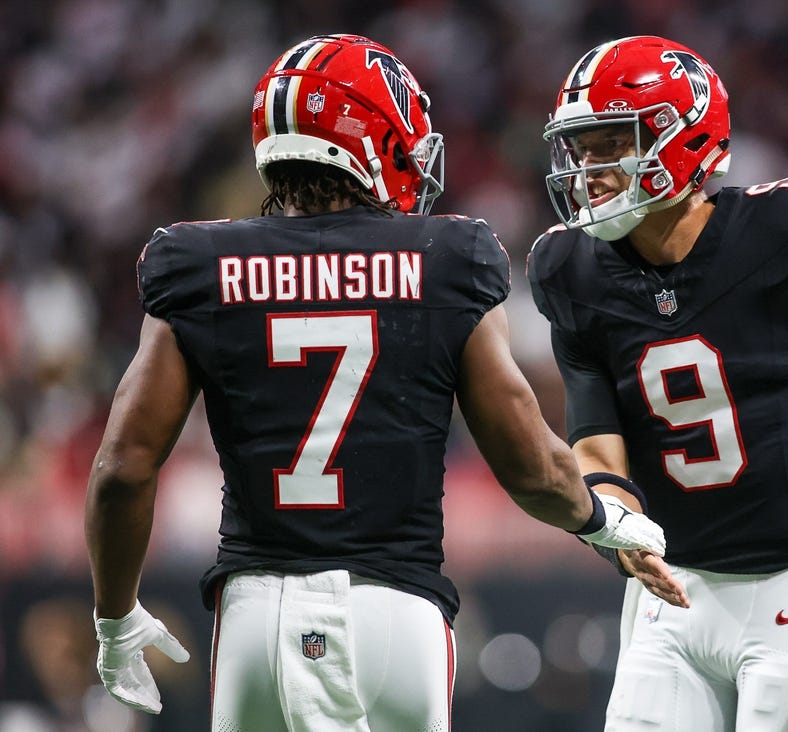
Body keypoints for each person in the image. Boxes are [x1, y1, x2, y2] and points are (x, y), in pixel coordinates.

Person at [85, 34, 677, 732]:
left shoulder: (200, 261)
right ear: (370, 138)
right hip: (395, 616)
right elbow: (532, 467)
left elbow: (123, 468)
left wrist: (115, 617)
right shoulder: (446, 257)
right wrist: (607, 522)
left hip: (256, 620)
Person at [527, 35, 788, 732]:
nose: (590, 170)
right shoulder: (569, 270)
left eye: (612, 142)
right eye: (580, 148)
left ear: (681, 141)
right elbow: (596, 441)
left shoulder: (784, 233)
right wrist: (615, 526)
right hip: (674, 586)